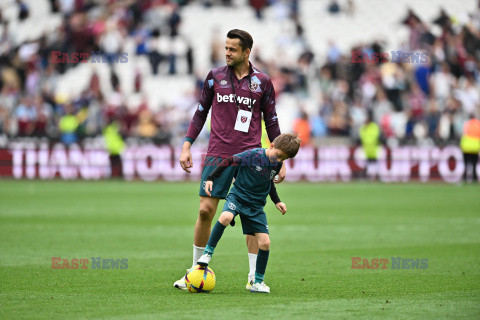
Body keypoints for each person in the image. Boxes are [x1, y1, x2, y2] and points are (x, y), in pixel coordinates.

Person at [175, 29, 286, 290]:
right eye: (225, 48)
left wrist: (279, 162)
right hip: (218, 153)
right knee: (205, 211)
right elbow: (200, 113)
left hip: (252, 157)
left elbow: (272, 121)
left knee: (250, 215)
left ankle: (253, 278)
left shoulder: (263, 82)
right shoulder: (214, 77)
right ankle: (195, 271)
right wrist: (186, 146)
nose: (227, 52)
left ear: (246, 52)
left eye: (232, 49)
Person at [197, 134, 301, 293]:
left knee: (265, 243)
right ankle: (207, 254)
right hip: (238, 197)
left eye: (283, 159)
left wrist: (277, 201)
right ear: (272, 145)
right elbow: (229, 160)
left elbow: (269, 183)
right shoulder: (253, 155)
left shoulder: (276, 165)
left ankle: (258, 282)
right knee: (225, 217)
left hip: (256, 206)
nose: (278, 160)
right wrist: (211, 177)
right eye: (278, 155)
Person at [359, 112, 381, 180]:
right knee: (367, 163)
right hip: (366, 149)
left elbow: (375, 136)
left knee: (375, 162)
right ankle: (369, 176)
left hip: (374, 148)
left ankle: (377, 175)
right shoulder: (363, 127)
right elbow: (361, 135)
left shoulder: (374, 126)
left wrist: (368, 142)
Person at [460, 114, 480, 183]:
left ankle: (465, 177)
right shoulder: (478, 124)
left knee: (466, 164)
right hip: (475, 147)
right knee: (474, 164)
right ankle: (474, 177)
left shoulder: (466, 124)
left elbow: (462, 134)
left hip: (466, 147)